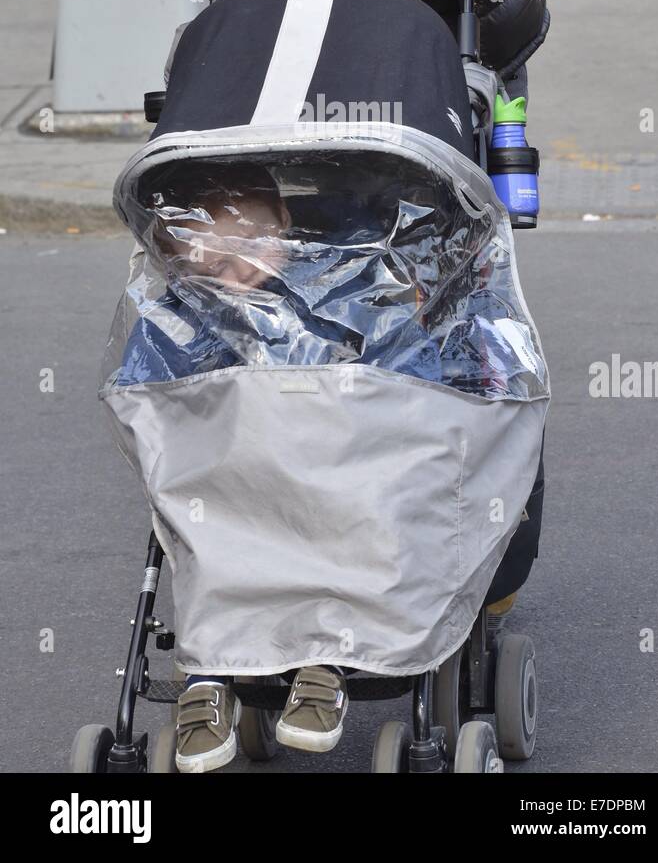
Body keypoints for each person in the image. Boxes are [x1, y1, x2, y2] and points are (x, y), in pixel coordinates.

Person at [191, 0, 572, 765]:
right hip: (288, 35)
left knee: (399, 321)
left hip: (432, 42)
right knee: (242, 310)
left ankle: (379, 600)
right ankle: (244, 617)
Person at [118, 165, 443, 771]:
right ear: (178, 262)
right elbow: (148, 401)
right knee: (205, 541)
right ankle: (208, 675)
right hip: (234, 483)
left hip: (335, 473)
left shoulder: (345, 292)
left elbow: (408, 368)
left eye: (251, 245)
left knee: (352, 523)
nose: (236, 271)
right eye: (210, 264)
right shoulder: (181, 316)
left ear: (286, 224)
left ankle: (323, 658)